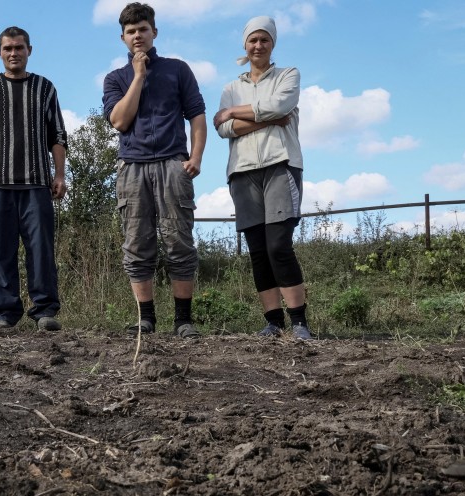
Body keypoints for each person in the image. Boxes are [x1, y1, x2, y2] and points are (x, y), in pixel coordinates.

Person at [102, 2, 207, 339]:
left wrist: (196, 157)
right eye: (131, 32)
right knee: (136, 243)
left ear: (154, 32)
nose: (137, 36)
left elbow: (197, 115)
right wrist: (138, 75)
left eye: (143, 29)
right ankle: (145, 318)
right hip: (132, 167)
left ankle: (183, 320)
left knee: (179, 241)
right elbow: (119, 120)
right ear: (123, 37)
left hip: (172, 163)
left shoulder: (178, 69)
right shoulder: (116, 78)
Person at [213, 16, 311, 340]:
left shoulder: (288, 75)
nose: (258, 45)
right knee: (258, 249)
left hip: (280, 164)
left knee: (278, 245)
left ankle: (299, 323)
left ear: (272, 44)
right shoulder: (231, 88)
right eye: (253, 40)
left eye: (264, 40)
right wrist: (265, 119)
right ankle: (273, 322)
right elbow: (223, 127)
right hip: (242, 171)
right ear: (245, 44)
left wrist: (235, 112)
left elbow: (281, 104)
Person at [0, 26, 68, 332]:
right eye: (8, 48)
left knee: (41, 251)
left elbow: (58, 136)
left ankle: (45, 312)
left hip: (37, 184)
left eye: (19, 48)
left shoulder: (45, 88)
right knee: (0, 251)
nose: (14, 53)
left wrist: (60, 174)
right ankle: (4, 313)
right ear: (0, 53)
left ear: (29, 50)